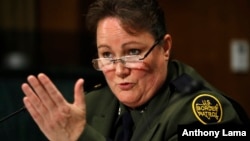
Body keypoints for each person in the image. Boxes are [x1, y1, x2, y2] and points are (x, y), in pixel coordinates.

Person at [21, 0, 249, 140]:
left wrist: (80, 138)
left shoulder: (206, 115)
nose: (119, 71)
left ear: (165, 47)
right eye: (107, 55)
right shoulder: (93, 103)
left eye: (132, 52)